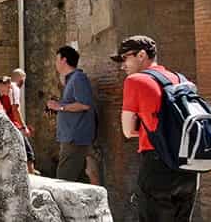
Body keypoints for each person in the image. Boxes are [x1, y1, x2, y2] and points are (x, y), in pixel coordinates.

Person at [113, 35, 198, 221]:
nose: (122, 65)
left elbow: (128, 130)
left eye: (125, 58)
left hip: (158, 162)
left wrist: (154, 130)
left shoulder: (135, 80)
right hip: (188, 164)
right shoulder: (180, 79)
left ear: (141, 55)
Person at [46, 45, 96, 183]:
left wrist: (60, 107)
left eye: (57, 59)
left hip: (74, 138)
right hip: (71, 137)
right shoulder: (71, 79)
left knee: (64, 179)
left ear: (64, 60)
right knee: (79, 181)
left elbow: (84, 104)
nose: (55, 63)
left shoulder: (78, 78)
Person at [0, 77, 36, 174]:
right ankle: (31, 173)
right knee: (27, 152)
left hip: (6, 131)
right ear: (1, 85)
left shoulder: (1, 98)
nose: (10, 89)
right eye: (8, 87)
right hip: (2, 133)